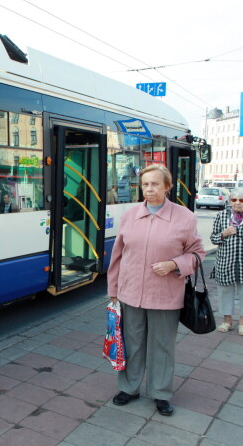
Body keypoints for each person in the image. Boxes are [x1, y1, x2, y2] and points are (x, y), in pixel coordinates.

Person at [107, 164, 204, 417]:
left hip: (165, 295)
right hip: (131, 293)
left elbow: (198, 254)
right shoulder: (130, 216)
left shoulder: (185, 217)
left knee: (162, 346)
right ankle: (129, 387)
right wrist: (113, 289)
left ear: (167, 187)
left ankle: (161, 393)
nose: (149, 189)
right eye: (145, 185)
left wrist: (175, 264)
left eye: (155, 184)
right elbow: (118, 255)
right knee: (132, 343)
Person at [210, 188, 243, 335]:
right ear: (230, 201)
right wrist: (223, 234)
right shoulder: (221, 215)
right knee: (225, 292)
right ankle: (227, 321)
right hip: (226, 261)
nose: (237, 203)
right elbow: (213, 238)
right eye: (234, 200)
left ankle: (242, 322)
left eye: (241, 200)